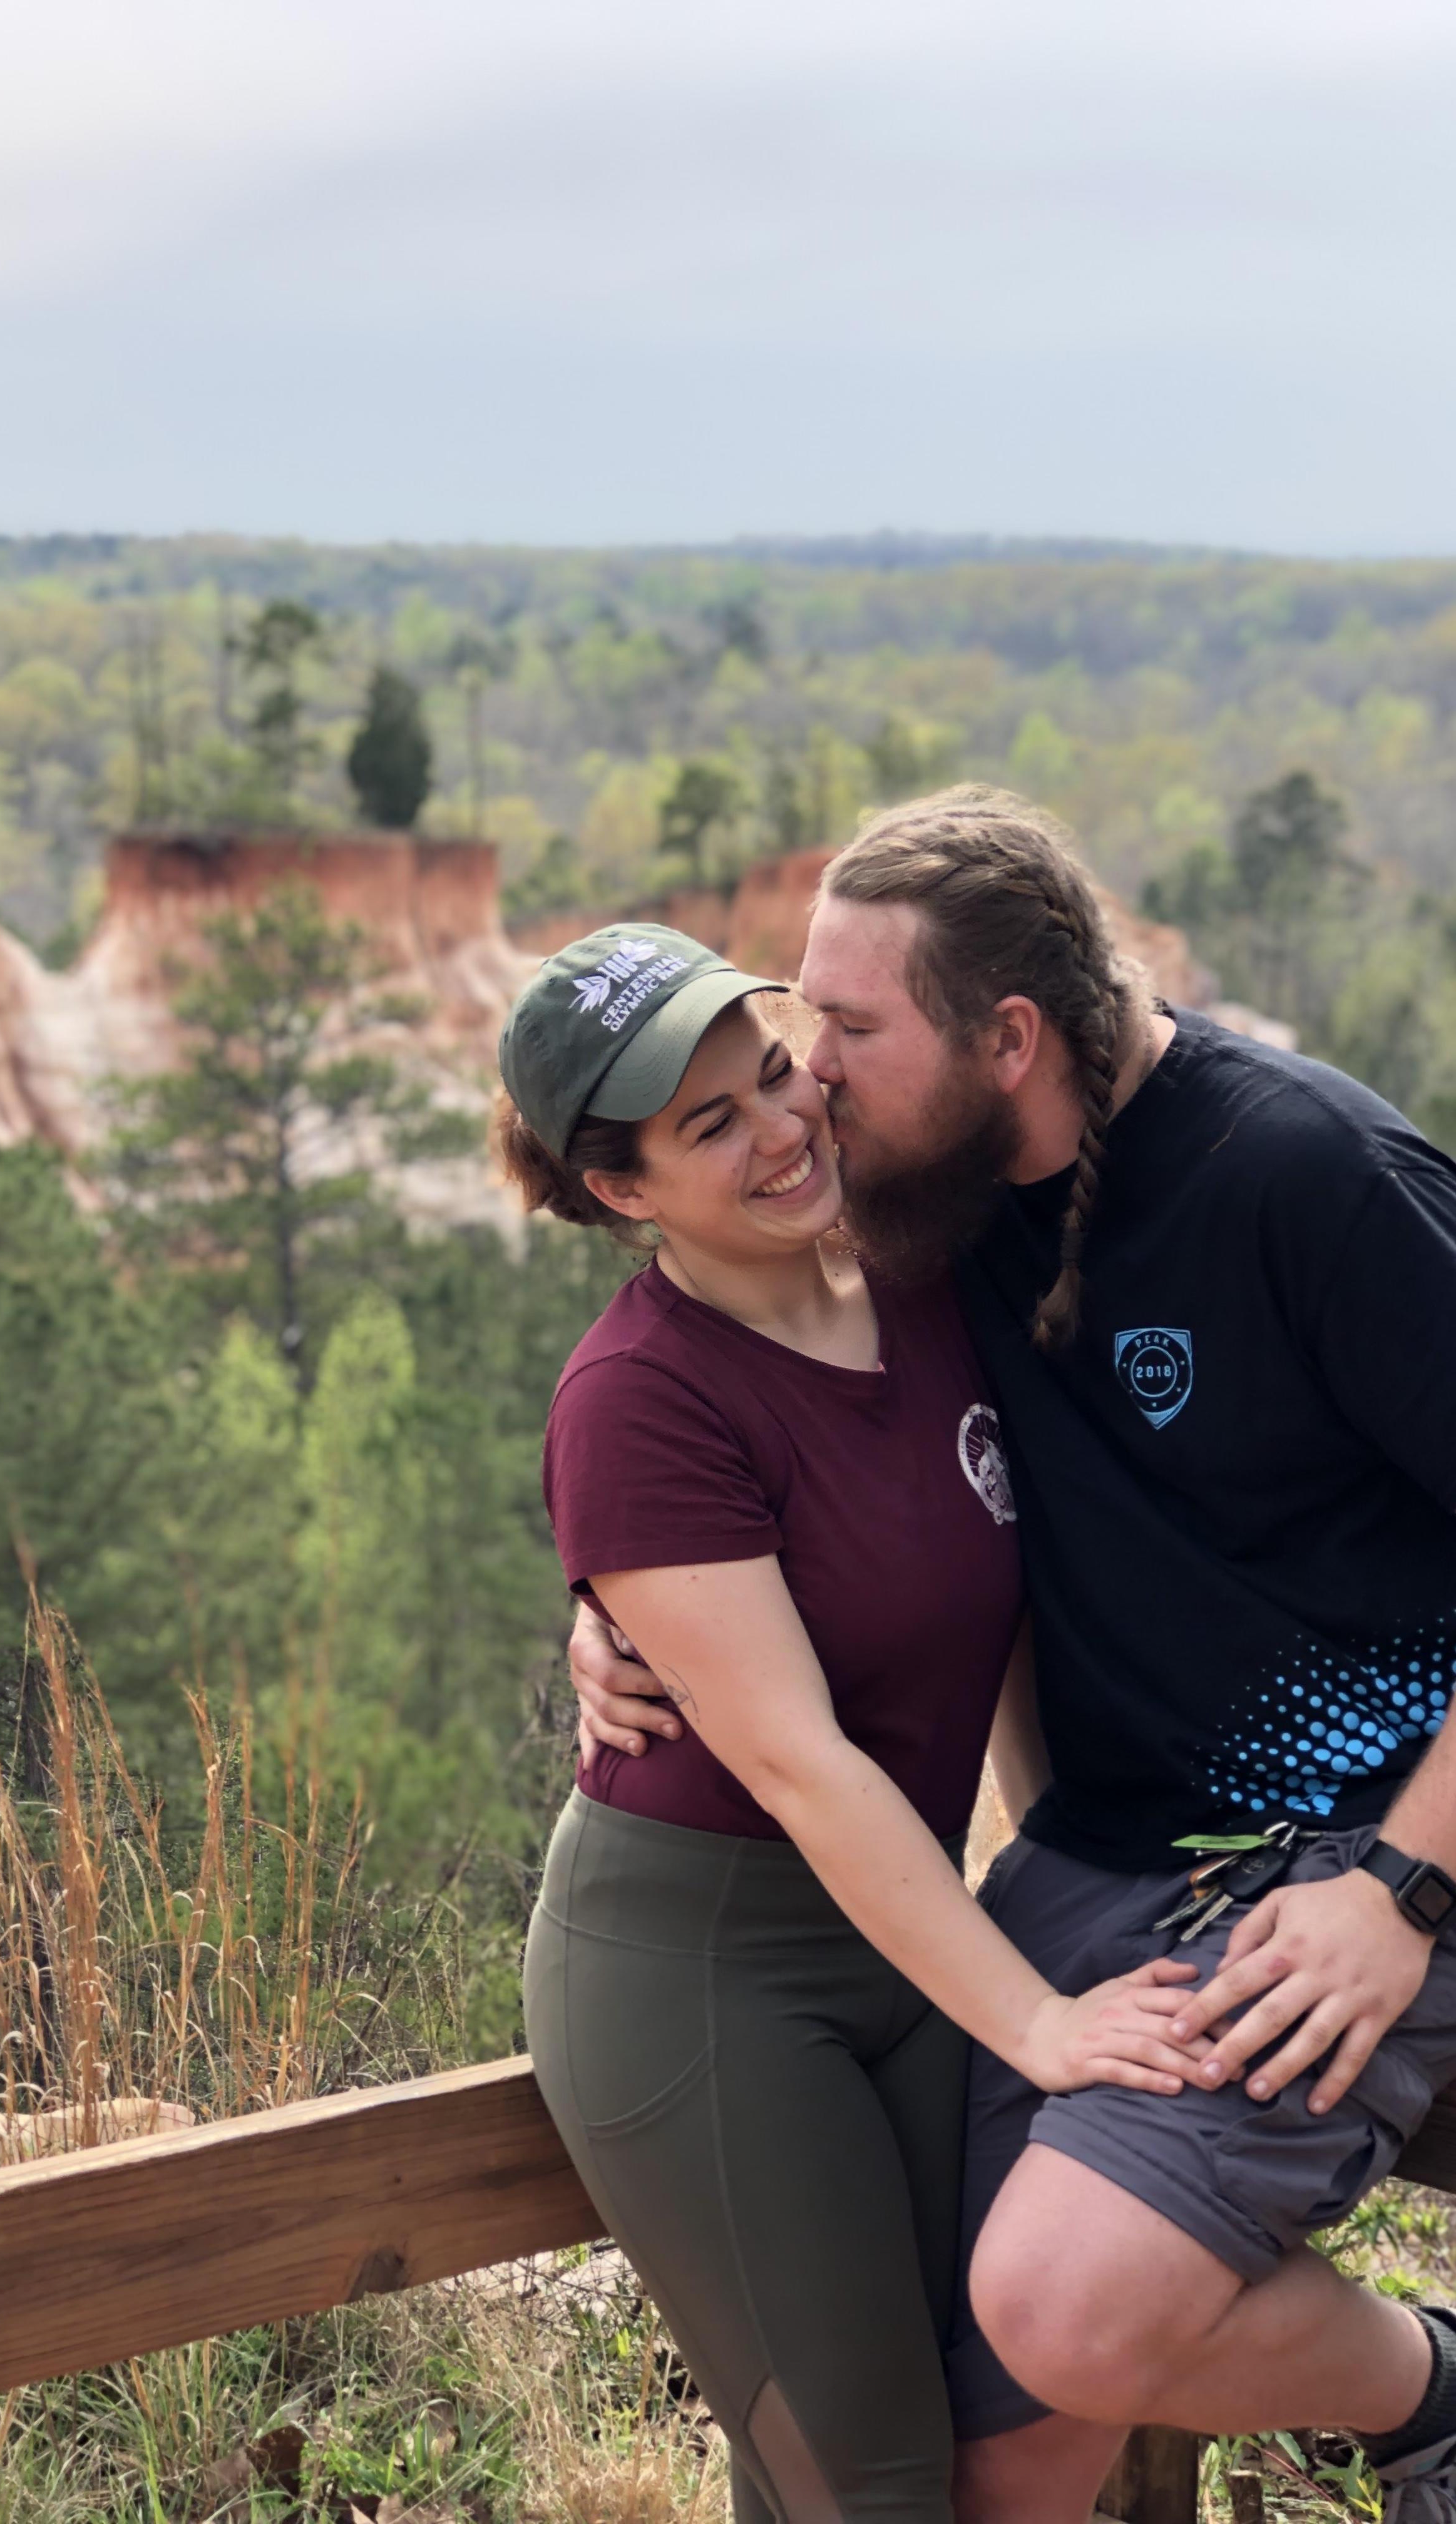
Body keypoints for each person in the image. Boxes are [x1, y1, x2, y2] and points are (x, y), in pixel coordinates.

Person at [571, 790, 1456, 2524]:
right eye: (801, 1025)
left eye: (845, 1033)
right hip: (1106, 1848)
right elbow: (730, 1398)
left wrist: (1407, 1891)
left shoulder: (1309, 1177)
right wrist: (621, 1610)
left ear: (1008, 1037)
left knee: (1061, 2305)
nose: (814, 1083)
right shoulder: (941, 1201)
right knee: (990, 2475)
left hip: (1380, 1848)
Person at [498, 923, 1219, 2524]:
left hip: (903, 1945)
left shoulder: (923, 1268)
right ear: (622, 1191)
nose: (780, 1132)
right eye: (710, 1127)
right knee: (871, 2488)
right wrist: (1036, 2020)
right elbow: (802, 1763)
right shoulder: (640, 1403)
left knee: (924, 2457)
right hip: (709, 1975)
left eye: (774, 1075)